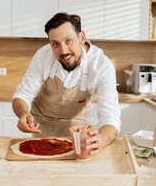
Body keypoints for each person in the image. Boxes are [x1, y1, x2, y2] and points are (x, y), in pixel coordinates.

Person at [12, 12, 121, 155]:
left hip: (79, 139)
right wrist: (24, 113)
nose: (63, 51)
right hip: (42, 135)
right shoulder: (43, 56)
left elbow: (110, 117)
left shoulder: (101, 66)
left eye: (68, 41)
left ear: (81, 37)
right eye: (55, 44)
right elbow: (21, 96)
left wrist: (102, 139)